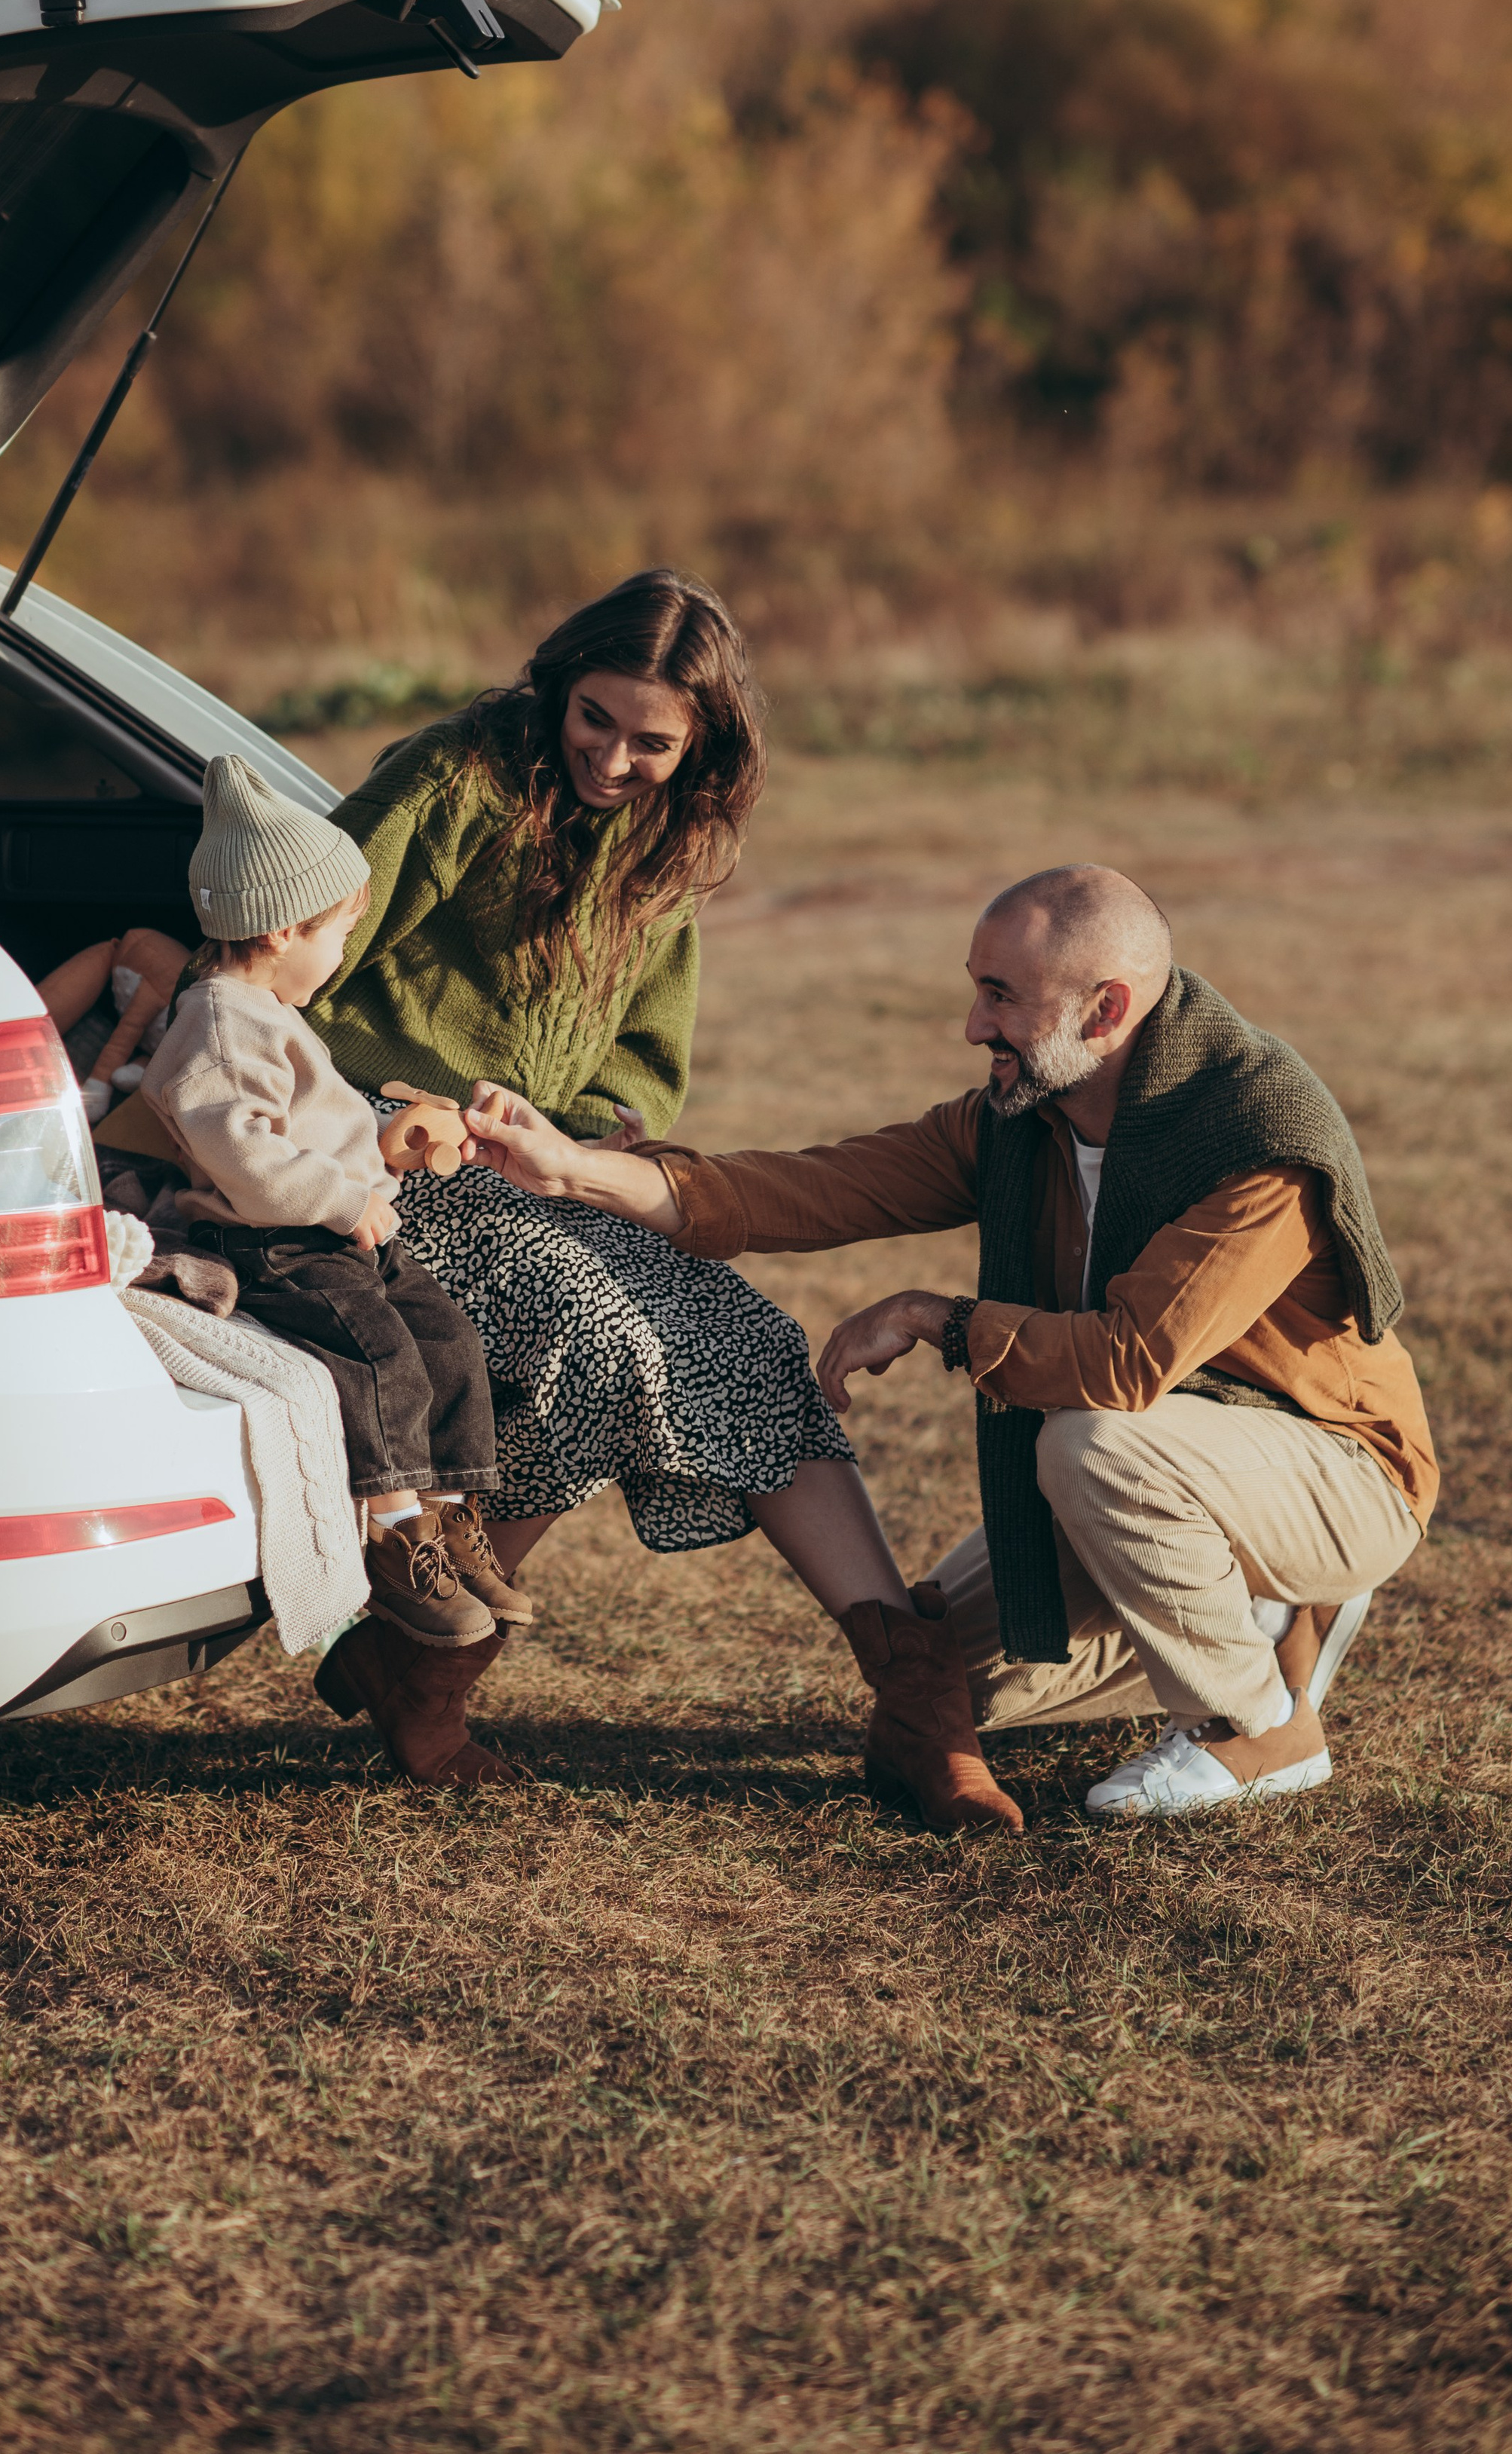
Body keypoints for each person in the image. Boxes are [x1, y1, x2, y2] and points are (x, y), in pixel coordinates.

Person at [461, 863, 1437, 1824]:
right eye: (978, 989)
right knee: (944, 1691)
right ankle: (1260, 1623)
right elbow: (820, 1188)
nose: (975, 1027)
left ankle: (1259, 1727)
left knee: (1088, 1443)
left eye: (1002, 997)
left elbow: (1126, 1366)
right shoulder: (1024, 1119)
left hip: (1334, 1471)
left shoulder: (1255, 1138)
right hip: (1171, 1462)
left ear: (1105, 1012)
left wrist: (943, 1319)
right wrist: (574, 1170)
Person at [305, 571, 1018, 1828]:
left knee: (742, 1336)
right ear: (556, 686)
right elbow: (303, 944)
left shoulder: (663, 847)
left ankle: (916, 1699)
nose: (615, 760)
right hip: (382, 1154)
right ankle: (429, 1662)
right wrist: (380, 1111)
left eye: (653, 742)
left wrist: (588, 1126)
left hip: (535, 1169)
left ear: (702, 747)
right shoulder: (455, 779)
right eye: (596, 721)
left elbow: (643, 1058)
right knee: (603, 1338)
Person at [139, 757, 520, 1783]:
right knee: (380, 1355)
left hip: (342, 1226)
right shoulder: (218, 1022)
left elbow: (316, 1124)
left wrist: (388, 1142)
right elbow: (246, 1156)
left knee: (448, 1341)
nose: (344, 951)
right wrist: (343, 1198)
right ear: (280, 930)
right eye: (340, 932)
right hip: (269, 1241)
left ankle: (453, 1516)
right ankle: (393, 1540)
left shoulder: (267, 1012)